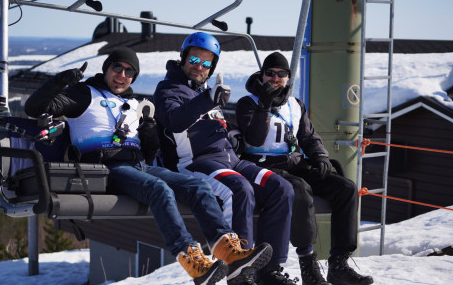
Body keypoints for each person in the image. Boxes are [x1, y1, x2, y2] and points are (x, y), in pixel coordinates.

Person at [24, 47, 273, 285]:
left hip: (137, 164)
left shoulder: (134, 104)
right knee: (159, 190)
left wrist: (148, 131)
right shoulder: (84, 94)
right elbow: (33, 108)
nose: (122, 76)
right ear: (106, 68)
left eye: (129, 72)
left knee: (198, 186)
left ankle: (227, 250)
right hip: (105, 167)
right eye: (117, 68)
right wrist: (60, 82)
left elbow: (150, 151)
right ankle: (192, 261)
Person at [153, 32, 297, 285]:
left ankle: (270, 270)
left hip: (230, 159)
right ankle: (239, 269)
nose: (200, 67)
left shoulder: (205, 90)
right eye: (196, 59)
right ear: (184, 57)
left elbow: (213, 123)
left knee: (281, 188)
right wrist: (207, 100)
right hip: (195, 162)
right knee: (238, 188)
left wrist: (232, 131)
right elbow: (175, 122)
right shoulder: (168, 89)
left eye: (207, 63)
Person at [235, 52, 375, 285]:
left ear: (288, 78)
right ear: (262, 76)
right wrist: (264, 105)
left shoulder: (295, 105)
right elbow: (256, 138)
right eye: (270, 73)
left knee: (346, 188)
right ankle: (308, 264)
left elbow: (308, 136)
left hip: (294, 164)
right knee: (299, 189)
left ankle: (339, 263)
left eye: (281, 74)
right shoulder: (247, 104)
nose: (275, 78)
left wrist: (320, 156)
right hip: (263, 168)